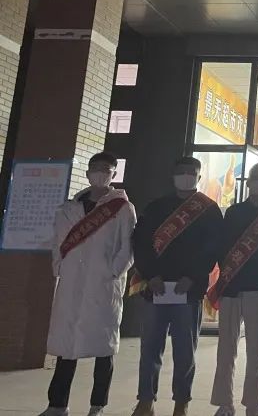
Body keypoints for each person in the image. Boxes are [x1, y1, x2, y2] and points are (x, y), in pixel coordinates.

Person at [38, 153, 137, 416]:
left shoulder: (122, 208)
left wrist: (113, 272)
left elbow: (127, 247)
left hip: (103, 285)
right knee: (66, 346)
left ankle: (97, 405)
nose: (100, 173)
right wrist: (59, 267)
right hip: (71, 282)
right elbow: (58, 243)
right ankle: (57, 404)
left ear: (114, 174)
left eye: (106, 169)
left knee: (104, 349)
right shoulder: (69, 208)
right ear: (87, 172)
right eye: (96, 168)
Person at [130, 157, 223, 416]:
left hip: (188, 291)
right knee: (150, 347)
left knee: (185, 350)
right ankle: (145, 400)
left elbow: (213, 248)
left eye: (191, 173)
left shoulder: (208, 209)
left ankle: (182, 401)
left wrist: (192, 277)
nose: (186, 176)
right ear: (173, 176)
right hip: (156, 288)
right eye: (181, 172)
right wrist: (152, 275)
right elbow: (141, 243)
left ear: (198, 177)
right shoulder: (156, 207)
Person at [209, 163, 258, 416]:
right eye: (255, 178)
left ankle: (253, 403)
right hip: (231, 287)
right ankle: (224, 402)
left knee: (257, 348)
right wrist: (228, 273)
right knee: (226, 348)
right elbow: (222, 246)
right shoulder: (233, 212)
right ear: (248, 182)